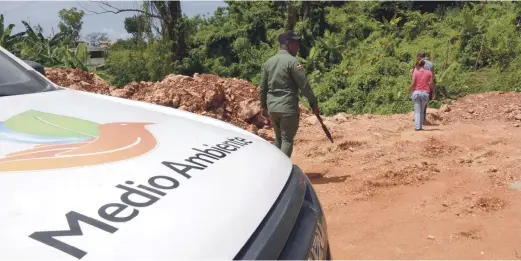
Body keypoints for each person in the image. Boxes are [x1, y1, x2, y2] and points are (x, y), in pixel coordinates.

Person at [258, 30, 319, 158]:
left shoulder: (268, 63)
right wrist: (314, 104)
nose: (298, 48)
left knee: (279, 139)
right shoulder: (293, 62)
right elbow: (305, 86)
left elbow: (263, 88)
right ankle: (281, 171)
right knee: (287, 140)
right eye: (296, 44)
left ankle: (274, 167)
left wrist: (263, 106)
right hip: (287, 108)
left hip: (273, 109)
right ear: (288, 44)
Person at [408, 59, 434, 131]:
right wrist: (433, 92)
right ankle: (420, 126)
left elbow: (413, 84)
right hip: (425, 93)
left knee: (417, 111)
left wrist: (409, 90)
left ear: (417, 65)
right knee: (422, 110)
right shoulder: (429, 72)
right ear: (424, 65)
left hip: (416, 93)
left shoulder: (415, 73)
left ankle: (417, 127)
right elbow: (431, 83)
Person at [422, 53, 436, 122]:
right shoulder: (431, 64)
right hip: (427, 85)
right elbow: (432, 77)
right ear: (428, 57)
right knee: (425, 101)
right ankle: (423, 117)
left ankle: (418, 117)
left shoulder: (419, 62)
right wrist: (433, 91)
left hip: (419, 84)